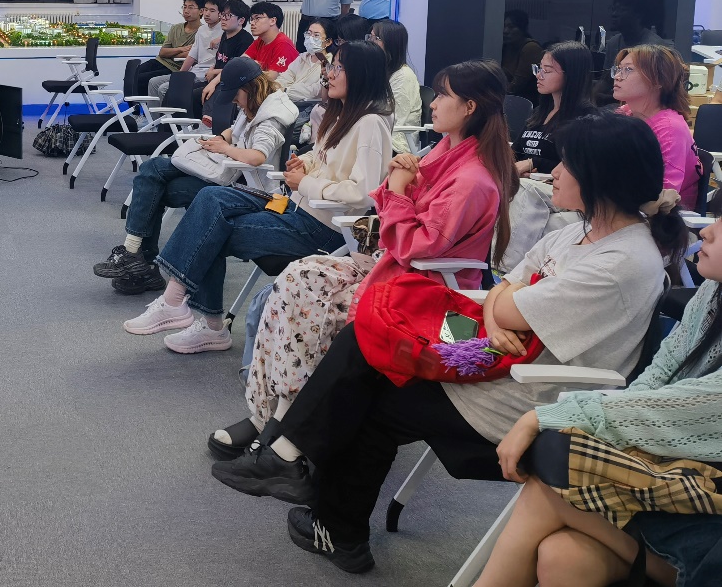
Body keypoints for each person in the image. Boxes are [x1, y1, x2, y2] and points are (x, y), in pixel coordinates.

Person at [210, 111, 686, 576]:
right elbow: (503, 286)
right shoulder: (577, 234)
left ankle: (309, 488)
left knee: (373, 382)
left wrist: (503, 305)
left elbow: (498, 293)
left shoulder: (620, 263)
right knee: (374, 338)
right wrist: (501, 306)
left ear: (602, 178)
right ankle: (298, 473)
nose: (554, 172)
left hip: (529, 391)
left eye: (568, 164)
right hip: (491, 349)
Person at [210, 59, 513, 460]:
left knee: (307, 300)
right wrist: (395, 184)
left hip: (428, 292)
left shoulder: (470, 177)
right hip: (393, 264)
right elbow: (387, 206)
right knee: (295, 278)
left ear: (469, 107)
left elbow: (414, 240)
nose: (433, 103)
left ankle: (281, 422)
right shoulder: (441, 153)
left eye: (442, 95)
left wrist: (398, 189)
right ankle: (271, 415)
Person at [477, 218, 722, 587]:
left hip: (704, 518)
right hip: (672, 473)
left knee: (552, 460)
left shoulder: (626, 256)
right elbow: (658, 376)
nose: (706, 231)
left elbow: (691, 405)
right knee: (564, 558)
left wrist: (547, 416)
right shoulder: (711, 293)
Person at [121, 40, 393, 354]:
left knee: (211, 229)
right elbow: (325, 160)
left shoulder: (370, 124)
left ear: (362, 74)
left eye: (339, 67)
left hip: (323, 228)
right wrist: (305, 164)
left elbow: (362, 193)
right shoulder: (341, 115)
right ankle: (183, 308)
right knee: (211, 199)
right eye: (332, 66)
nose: (329, 74)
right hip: (295, 207)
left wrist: (305, 182)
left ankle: (200, 319)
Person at [95, 56, 299, 295]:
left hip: (245, 188)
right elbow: (236, 130)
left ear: (249, 88)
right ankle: (138, 261)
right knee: (152, 175)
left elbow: (257, 157)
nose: (234, 101)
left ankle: (138, 259)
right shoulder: (257, 104)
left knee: (153, 180)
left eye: (235, 95)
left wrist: (225, 149)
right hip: (230, 173)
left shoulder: (271, 118)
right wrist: (221, 139)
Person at [613, 44, 702, 209]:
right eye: (619, 69)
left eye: (628, 70)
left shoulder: (670, 129)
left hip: (664, 217)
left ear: (658, 81)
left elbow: (663, 197)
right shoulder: (626, 112)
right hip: (623, 206)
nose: (617, 76)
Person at [514, 41, 597, 177]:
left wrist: (534, 163)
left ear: (571, 74)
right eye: (539, 68)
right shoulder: (540, 111)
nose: (539, 75)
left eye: (547, 70)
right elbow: (515, 152)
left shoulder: (586, 118)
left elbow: (576, 166)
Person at [149, 0, 224, 101]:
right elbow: (192, 55)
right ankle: (155, 113)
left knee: (164, 88)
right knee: (153, 82)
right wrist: (180, 75)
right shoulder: (201, 30)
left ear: (220, 13)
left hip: (206, 74)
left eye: (212, 11)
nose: (207, 13)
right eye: (206, 9)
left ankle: (169, 112)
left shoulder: (224, 31)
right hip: (194, 71)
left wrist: (221, 38)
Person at [135, 0, 205, 94]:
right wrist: (180, 49)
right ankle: (134, 103)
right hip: (160, 61)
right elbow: (162, 52)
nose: (186, 11)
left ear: (201, 11)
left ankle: (143, 103)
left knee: (140, 80)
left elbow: (190, 55)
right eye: (184, 7)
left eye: (190, 7)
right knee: (132, 74)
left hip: (174, 68)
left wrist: (171, 52)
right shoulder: (176, 28)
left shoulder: (202, 32)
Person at [368, 19, 420, 154]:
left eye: (375, 38)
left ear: (391, 44)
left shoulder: (404, 76)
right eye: (370, 37)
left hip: (394, 142)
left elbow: (392, 118)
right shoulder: (380, 70)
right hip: (373, 132)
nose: (370, 42)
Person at [197, 0, 253, 112]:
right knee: (185, 91)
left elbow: (237, 70)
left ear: (241, 20)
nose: (223, 18)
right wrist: (212, 69)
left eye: (228, 16)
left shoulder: (245, 40)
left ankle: (207, 122)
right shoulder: (225, 35)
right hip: (216, 78)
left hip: (230, 83)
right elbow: (220, 60)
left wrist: (214, 72)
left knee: (199, 96)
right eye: (222, 14)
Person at [274, 18, 337, 104]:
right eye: (309, 33)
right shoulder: (302, 57)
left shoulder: (330, 63)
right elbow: (286, 77)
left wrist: (285, 90)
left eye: (316, 35)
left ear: (328, 42)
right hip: (286, 100)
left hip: (308, 106)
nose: (310, 38)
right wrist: (275, 86)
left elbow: (314, 92)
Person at [243, 1, 300, 80]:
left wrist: (252, 68)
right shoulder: (260, 40)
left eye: (257, 18)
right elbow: (242, 62)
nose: (252, 23)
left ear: (273, 21)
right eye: (252, 19)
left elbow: (272, 78)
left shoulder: (283, 44)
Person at [502, 10, 545, 101]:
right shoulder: (506, 47)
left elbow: (516, 86)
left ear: (522, 29)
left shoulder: (531, 48)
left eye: (511, 27)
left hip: (526, 101)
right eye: (504, 26)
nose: (505, 31)